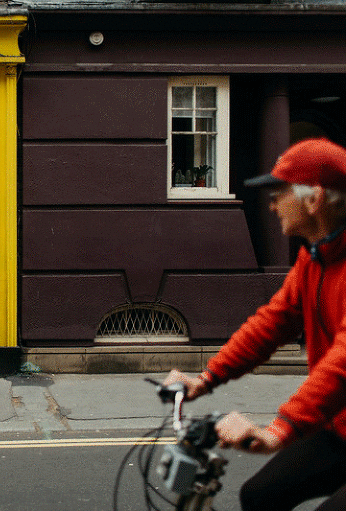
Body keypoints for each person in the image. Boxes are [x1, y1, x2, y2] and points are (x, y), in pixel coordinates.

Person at [164, 138, 346, 511]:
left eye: (279, 192)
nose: (271, 203)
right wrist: (206, 379)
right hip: (340, 427)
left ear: (314, 200)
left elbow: (343, 363)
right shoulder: (315, 258)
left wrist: (280, 429)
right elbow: (271, 323)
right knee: (260, 495)